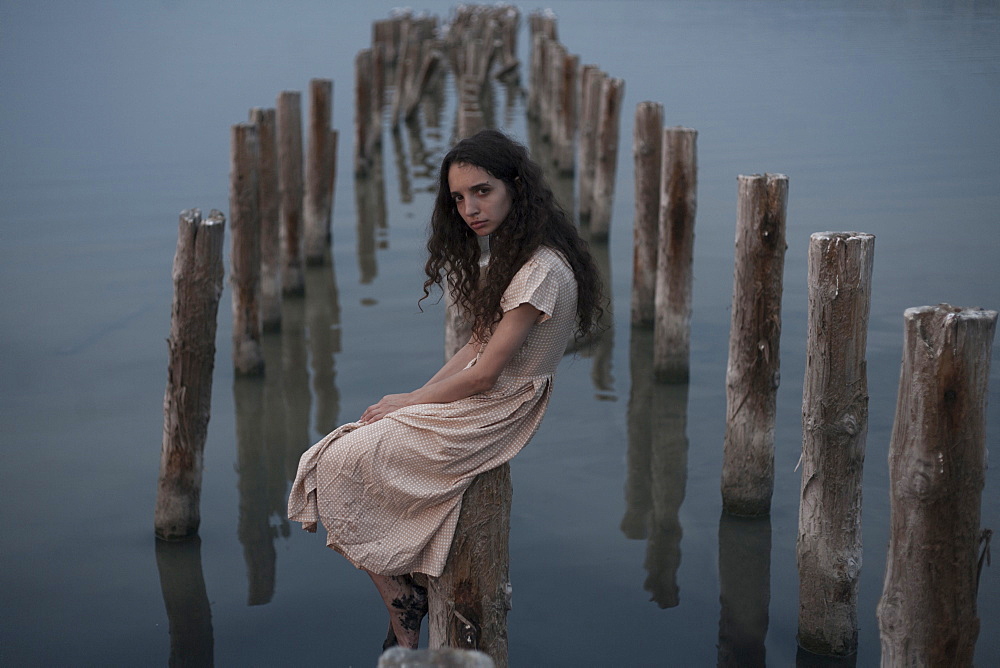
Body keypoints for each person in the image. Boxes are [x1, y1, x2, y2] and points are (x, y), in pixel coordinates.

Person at [287, 129, 603, 650]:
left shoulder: (541, 270)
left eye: (482, 191)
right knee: (344, 446)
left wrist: (408, 403)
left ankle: (403, 598)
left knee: (337, 461)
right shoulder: (513, 256)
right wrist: (409, 398)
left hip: (499, 406)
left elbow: (484, 375)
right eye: (458, 198)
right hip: (485, 395)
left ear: (516, 187)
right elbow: (475, 346)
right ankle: (406, 584)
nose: (469, 208)